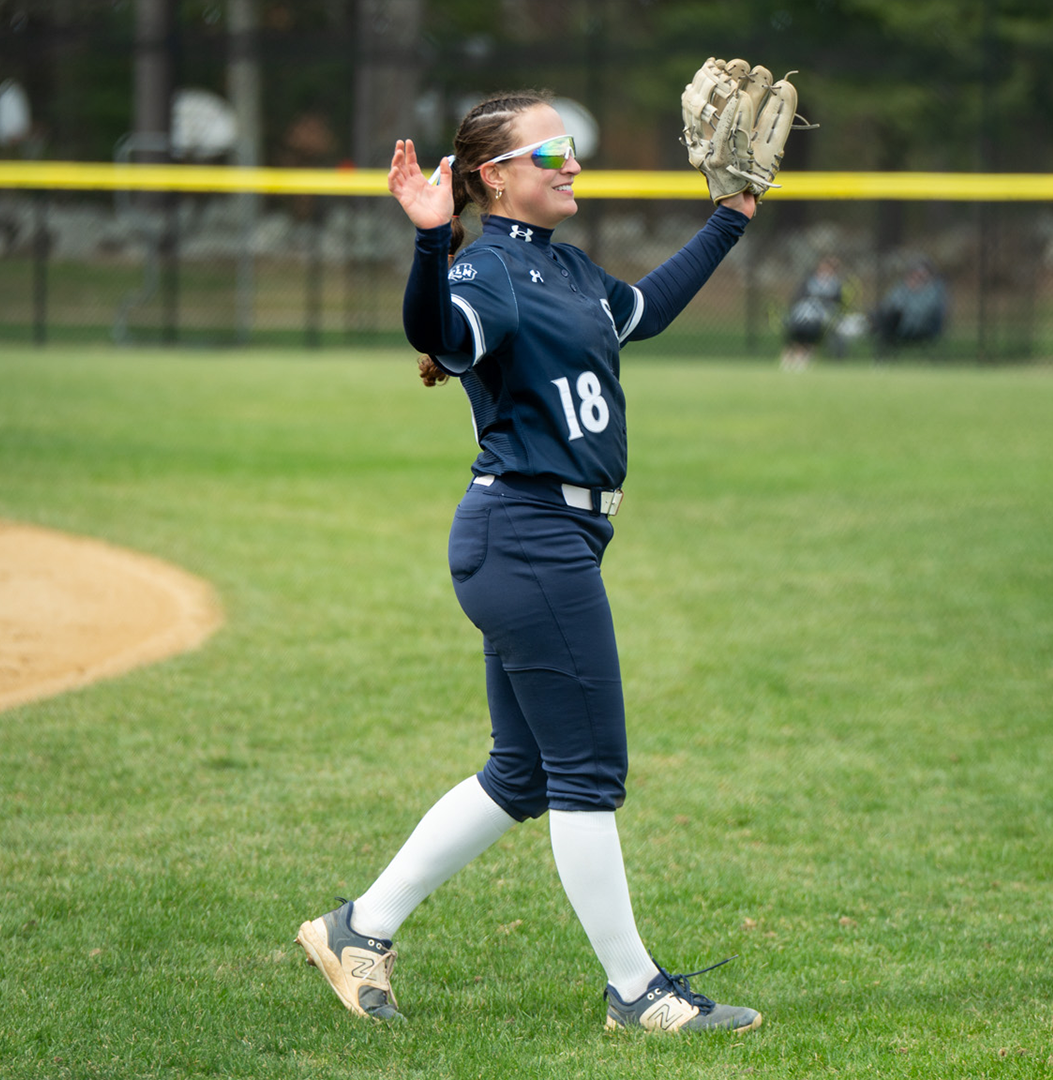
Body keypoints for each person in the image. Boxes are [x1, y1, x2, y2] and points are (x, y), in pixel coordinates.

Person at [292, 91, 763, 1035]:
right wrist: (431, 238)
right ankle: (637, 993)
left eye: (573, 149)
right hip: (528, 536)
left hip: (546, 539)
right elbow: (439, 333)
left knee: (524, 773)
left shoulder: (569, 269)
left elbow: (645, 311)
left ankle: (359, 927)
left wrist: (730, 219)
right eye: (552, 151)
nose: (571, 163)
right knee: (587, 773)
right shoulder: (490, 270)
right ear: (495, 177)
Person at [780, 255, 849, 371]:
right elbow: (798, 298)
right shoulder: (809, 282)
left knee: (813, 328)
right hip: (803, 313)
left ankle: (805, 358)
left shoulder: (835, 285)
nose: (826, 272)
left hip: (820, 316)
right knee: (796, 324)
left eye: (830, 269)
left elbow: (838, 302)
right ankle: (791, 357)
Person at [871, 259, 949, 360]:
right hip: (899, 324)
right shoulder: (902, 288)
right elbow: (890, 303)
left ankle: (881, 356)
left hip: (922, 327)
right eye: (915, 274)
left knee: (886, 320)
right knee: (883, 315)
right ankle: (881, 353)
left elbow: (924, 311)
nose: (917, 277)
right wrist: (908, 290)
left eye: (921, 275)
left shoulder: (933, 291)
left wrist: (904, 310)